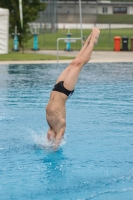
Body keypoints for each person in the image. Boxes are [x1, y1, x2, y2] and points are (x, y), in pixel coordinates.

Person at [46, 27, 100, 150]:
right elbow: (55, 145)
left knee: (74, 63)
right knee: (78, 64)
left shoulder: (52, 127)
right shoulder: (61, 127)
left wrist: (51, 147)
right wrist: (52, 146)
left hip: (56, 89)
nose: (49, 137)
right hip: (65, 91)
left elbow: (53, 146)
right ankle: (92, 41)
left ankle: (90, 40)